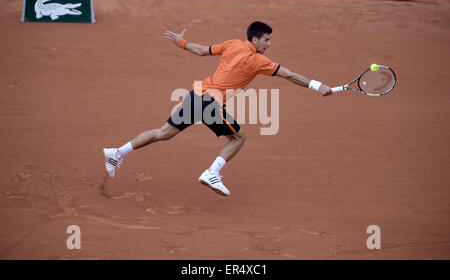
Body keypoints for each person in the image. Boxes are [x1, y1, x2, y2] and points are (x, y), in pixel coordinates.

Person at [103, 21, 332, 196]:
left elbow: (201, 50)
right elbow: (289, 74)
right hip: (210, 103)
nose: (269, 44)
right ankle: (212, 173)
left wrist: (181, 42)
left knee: (164, 132)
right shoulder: (258, 61)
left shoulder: (233, 44)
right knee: (238, 138)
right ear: (255, 39)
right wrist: (317, 85)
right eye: (266, 40)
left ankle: (117, 153)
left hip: (196, 95)